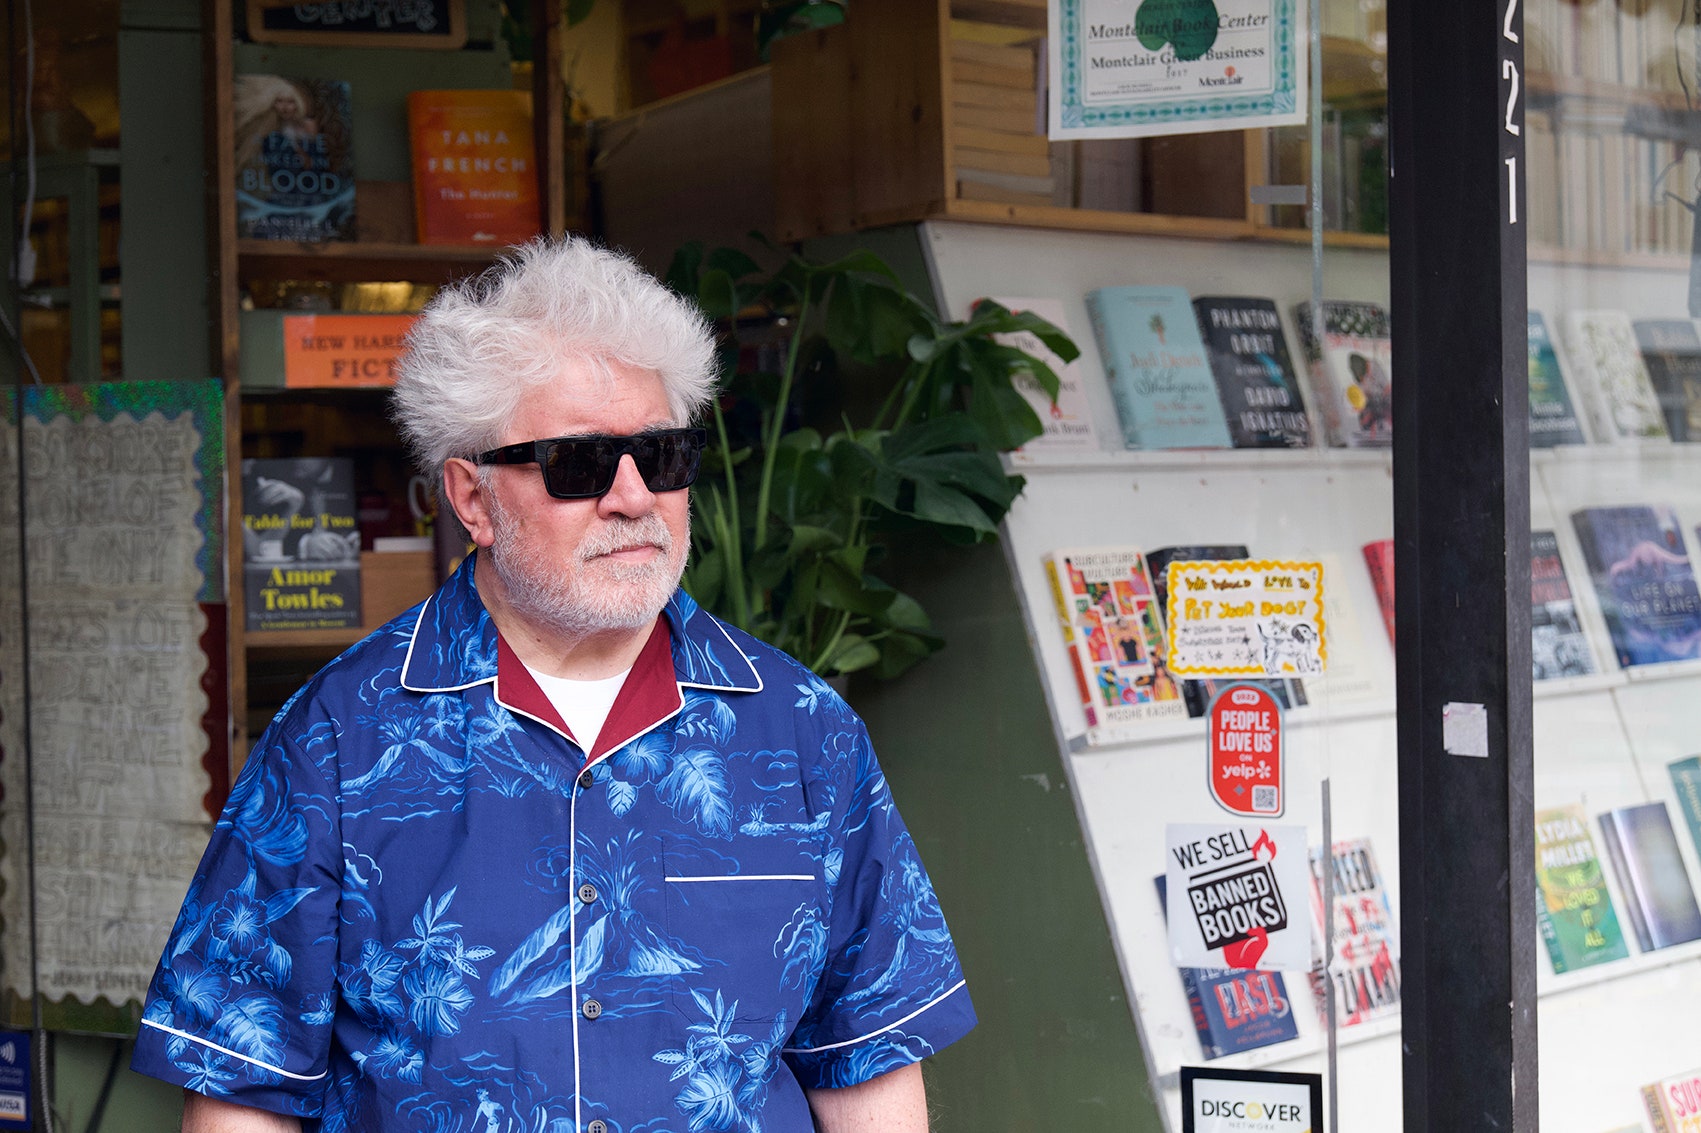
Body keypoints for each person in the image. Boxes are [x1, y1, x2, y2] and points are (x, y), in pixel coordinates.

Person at [132, 238, 976, 1133]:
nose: (631, 496)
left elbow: (868, 1059)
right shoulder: (339, 739)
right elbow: (242, 1095)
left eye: (661, 454)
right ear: (470, 499)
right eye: (578, 464)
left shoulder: (803, 730)